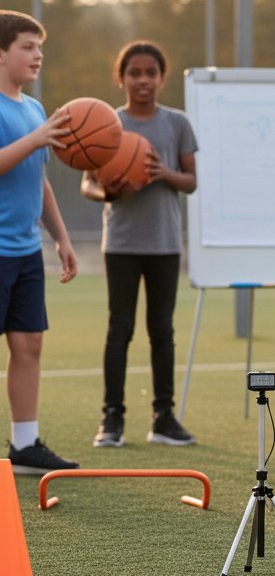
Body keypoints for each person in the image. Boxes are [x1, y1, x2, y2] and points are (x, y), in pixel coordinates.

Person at [82, 42, 197, 448]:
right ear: (122, 78)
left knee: (161, 330)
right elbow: (88, 184)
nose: (142, 80)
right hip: (122, 242)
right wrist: (110, 191)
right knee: (120, 330)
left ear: (162, 78)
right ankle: (112, 419)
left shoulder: (177, 123)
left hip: (164, 242)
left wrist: (162, 171)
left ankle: (163, 418)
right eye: (134, 72)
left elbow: (191, 181)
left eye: (150, 72)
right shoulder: (105, 123)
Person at [0, 10, 80, 474]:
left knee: (29, 343)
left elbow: (40, 181)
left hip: (26, 250)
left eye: (39, 46)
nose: (38, 55)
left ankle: (25, 446)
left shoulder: (32, 109)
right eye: (27, 46)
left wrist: (61, 238)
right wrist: (35, 139)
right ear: (1, 53)